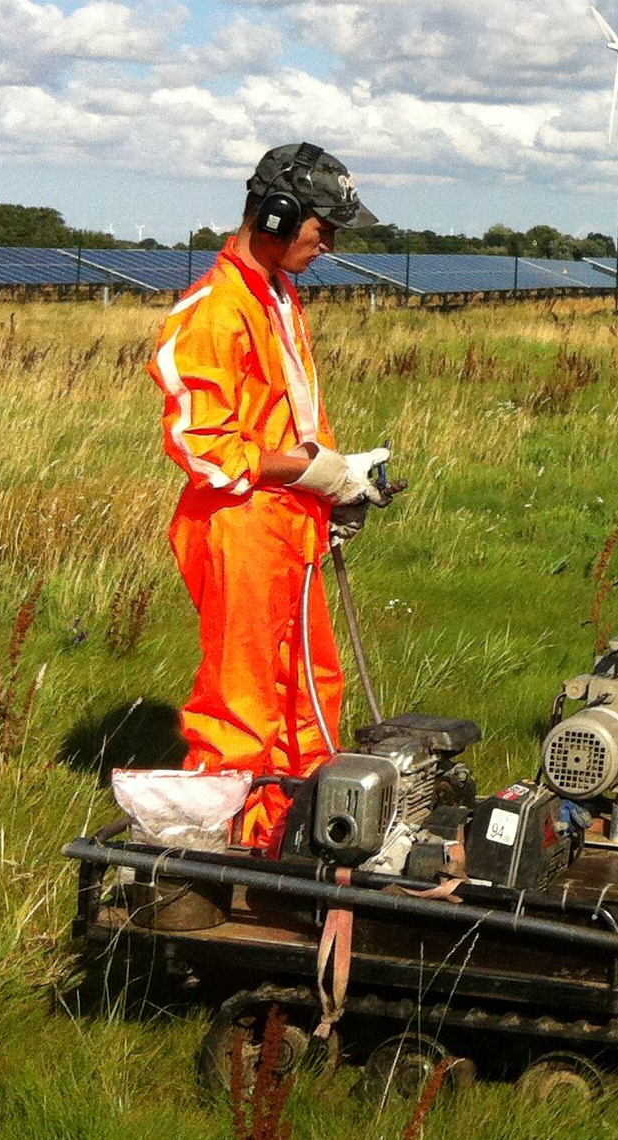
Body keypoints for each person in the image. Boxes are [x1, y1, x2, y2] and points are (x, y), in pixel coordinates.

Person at [148, 142, 391, 850]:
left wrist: (336, 484)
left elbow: (293, 422)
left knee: (310, 686)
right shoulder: (214, 311)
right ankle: (210, 856)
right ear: (278, 216)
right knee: (243, 701)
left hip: (291, 519)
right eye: (324, 227)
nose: (330, 244)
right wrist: (313, 473)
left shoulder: (279, 296)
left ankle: (295, 833)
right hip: (241, 523)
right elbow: (206, 448)